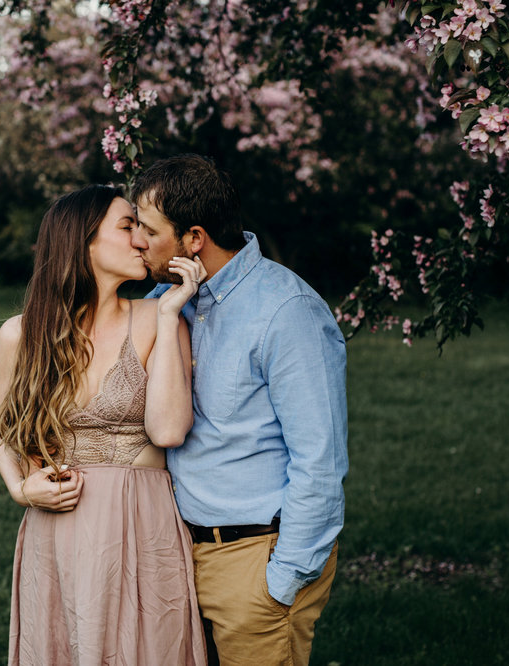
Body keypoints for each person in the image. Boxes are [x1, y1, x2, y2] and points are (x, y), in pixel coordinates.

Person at [130, 155, 349, 665]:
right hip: (179, 554)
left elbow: (320, 459)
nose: (137, 239)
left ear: (194, 239)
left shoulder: (285, 311)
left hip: (256, 558)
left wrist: (284, 578)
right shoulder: (169, 298)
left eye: (147, 228)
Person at [0, 184, 209, 665]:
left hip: (142, 523)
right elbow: (3, 438)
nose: (141, 241)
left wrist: (172, 317)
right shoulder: (19, 335)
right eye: (127, 226)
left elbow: (169, 431)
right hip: (58, 530)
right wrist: (21, 490)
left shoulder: (157, 317)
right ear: (82, 242)